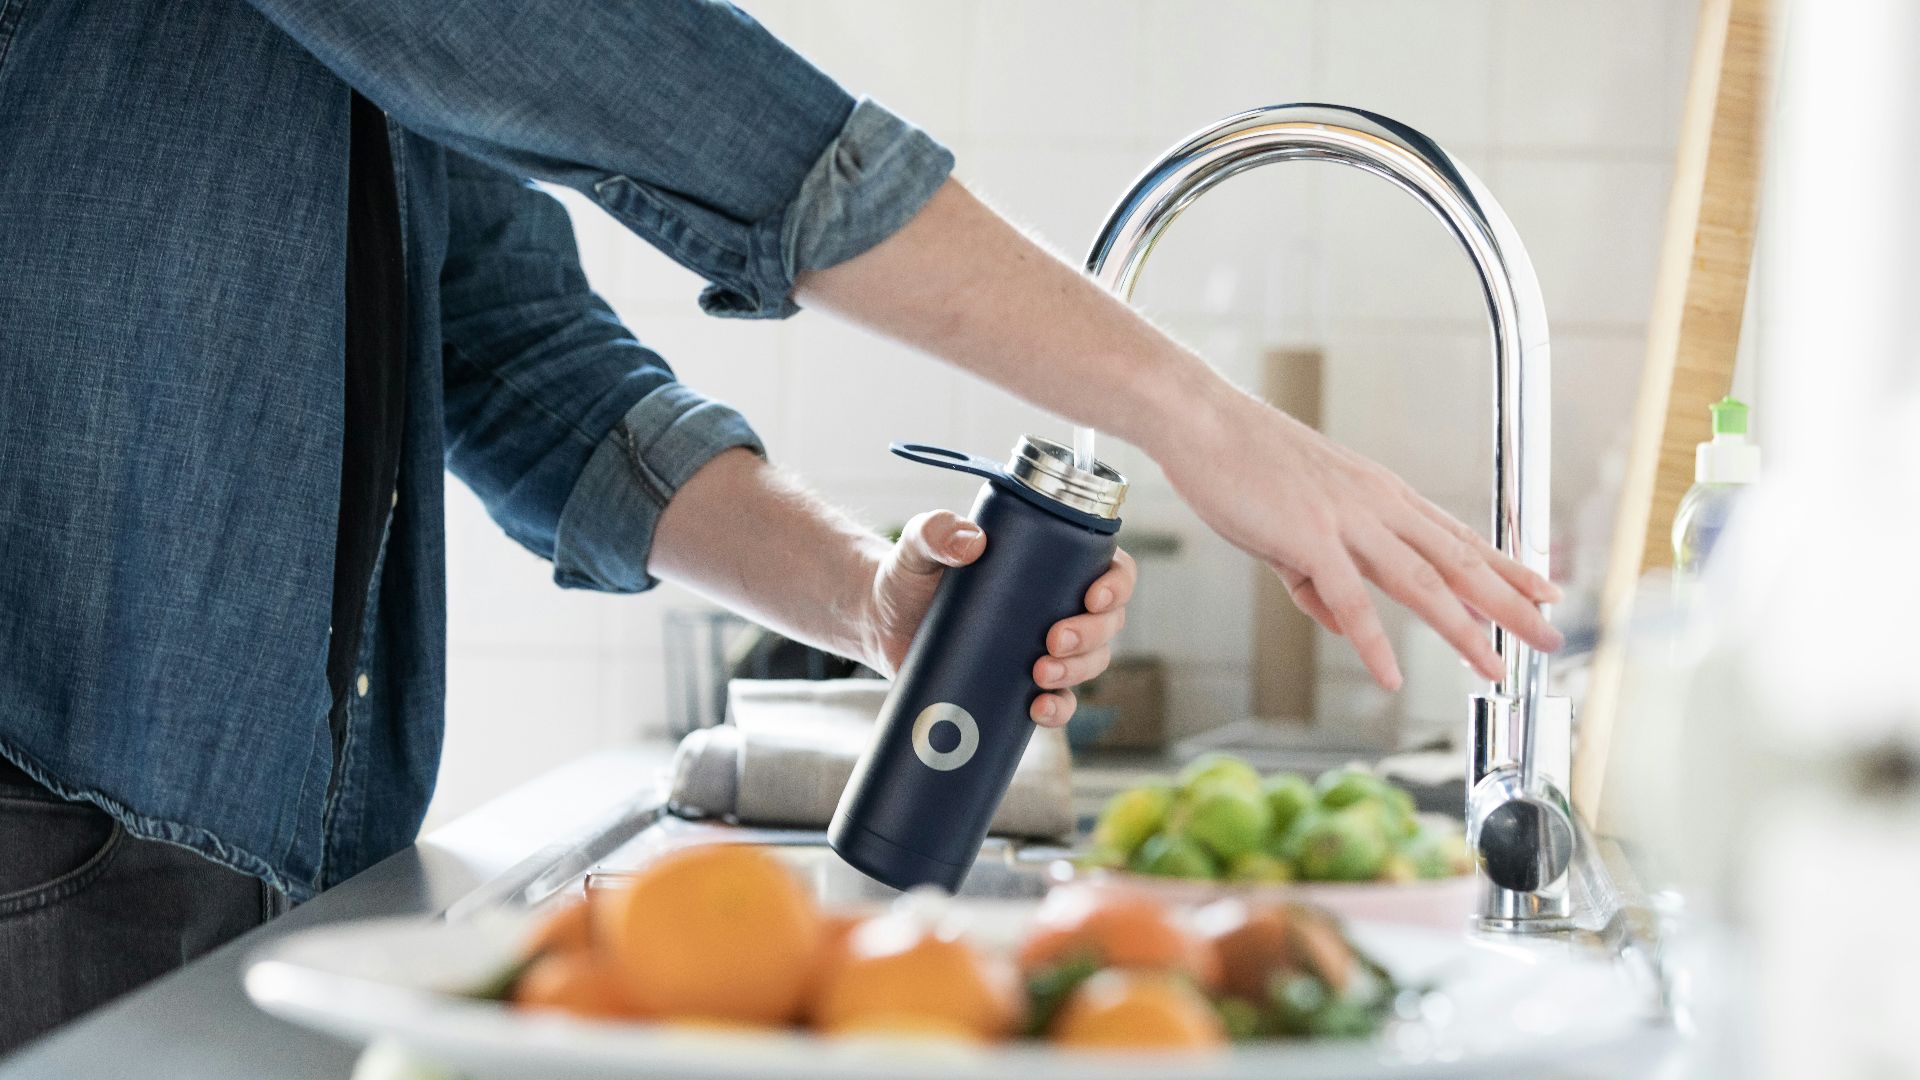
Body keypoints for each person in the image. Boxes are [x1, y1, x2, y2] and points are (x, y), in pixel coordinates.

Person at [0, 0, 1561, 1050]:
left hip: (252, 847)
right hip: (42, 830)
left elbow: (511, 350)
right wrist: (1196, 415)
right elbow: (668, 94)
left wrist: (866, 598)